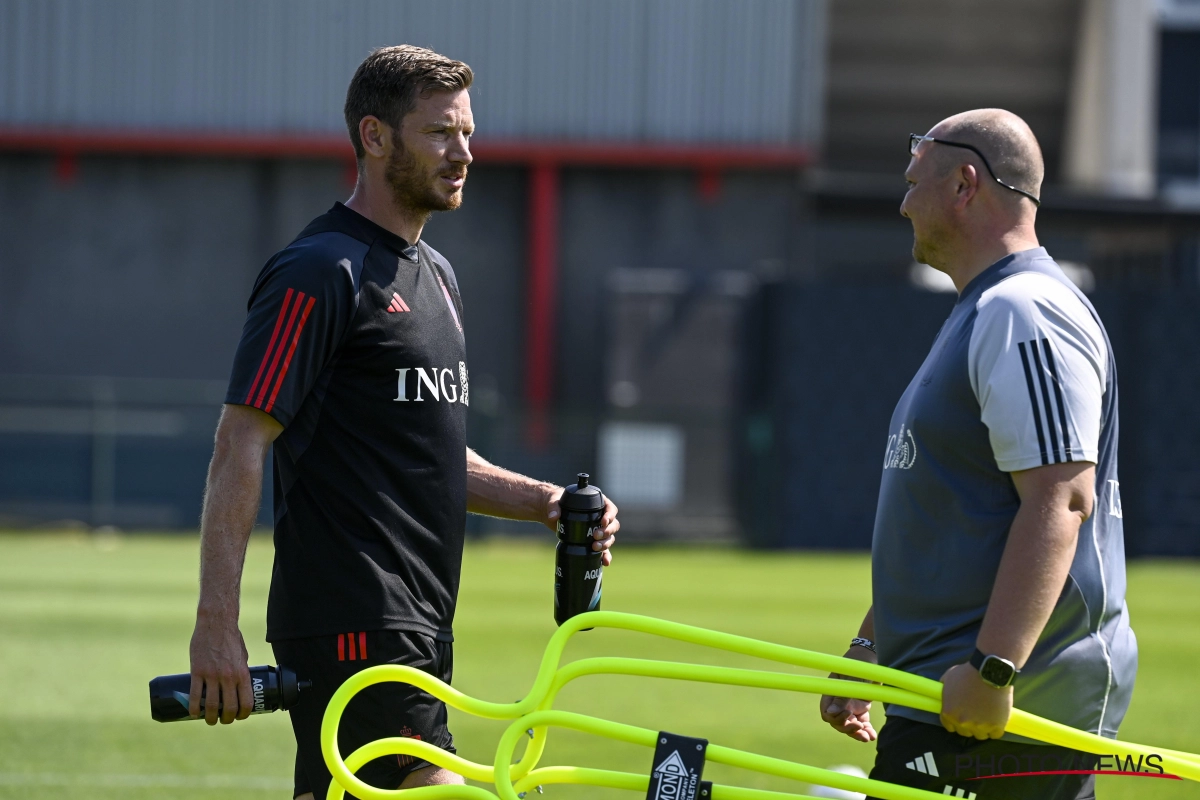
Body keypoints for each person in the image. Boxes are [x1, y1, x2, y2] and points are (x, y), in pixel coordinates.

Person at [187, 45, 619, 800]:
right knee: (436, 784)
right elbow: (241, 439)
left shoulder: (438, 276)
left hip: (421, 622)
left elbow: (429, 453)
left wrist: (545, 502)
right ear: (375, 136)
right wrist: (216, 624)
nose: (464, 155)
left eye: (468, 134)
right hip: (357, 618)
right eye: (440, 133)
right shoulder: (320, 270)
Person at [817, 109, 1136, 800]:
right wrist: (872, 650)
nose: (903, 204)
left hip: (994, 706)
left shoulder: (1024, 311)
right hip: (947, 695)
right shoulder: (983, 309)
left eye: (913, 184)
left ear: (965, 185)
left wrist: (995, 669)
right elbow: (950, 515)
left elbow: (1062, 499)